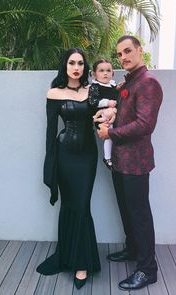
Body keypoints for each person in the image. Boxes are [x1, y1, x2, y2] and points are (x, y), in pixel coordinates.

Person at [97, 35, 163, 291]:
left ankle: (148, 270)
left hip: (136, 163)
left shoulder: (148, 83)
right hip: (120, 162)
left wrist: (110, 134)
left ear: (139, 50)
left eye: (127, 51)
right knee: (126, 211)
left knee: (140, 215)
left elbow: (146, 124)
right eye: (119, 54)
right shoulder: (129, 83)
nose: (123, 57)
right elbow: (124, 112)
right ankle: (133, 249)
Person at [36, 48, 101, 289]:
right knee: (70, 205)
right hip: (64, 156)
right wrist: (49, 162)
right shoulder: (54, 92)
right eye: (72, 62)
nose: (76, 67)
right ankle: (67, 255)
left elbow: (100, 118)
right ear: (65, 65)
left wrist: (109, 113)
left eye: (81, 63)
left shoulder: (92, 91)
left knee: (82, 206)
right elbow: (50, 131)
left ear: (85, 67)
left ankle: (82, 263)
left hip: (87, 157)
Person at [88, 59, 119, 170]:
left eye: (108, 70)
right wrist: (107, 102)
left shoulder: (113, 86)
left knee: (116, 133)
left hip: (113, 115)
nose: (105, 73)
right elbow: (92, 101)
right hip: (101, 116)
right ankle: (107, 157)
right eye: (101, 70)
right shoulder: (95, 87)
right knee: (109, 135)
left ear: (112, 73)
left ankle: (114, 156)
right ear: (95, 74)